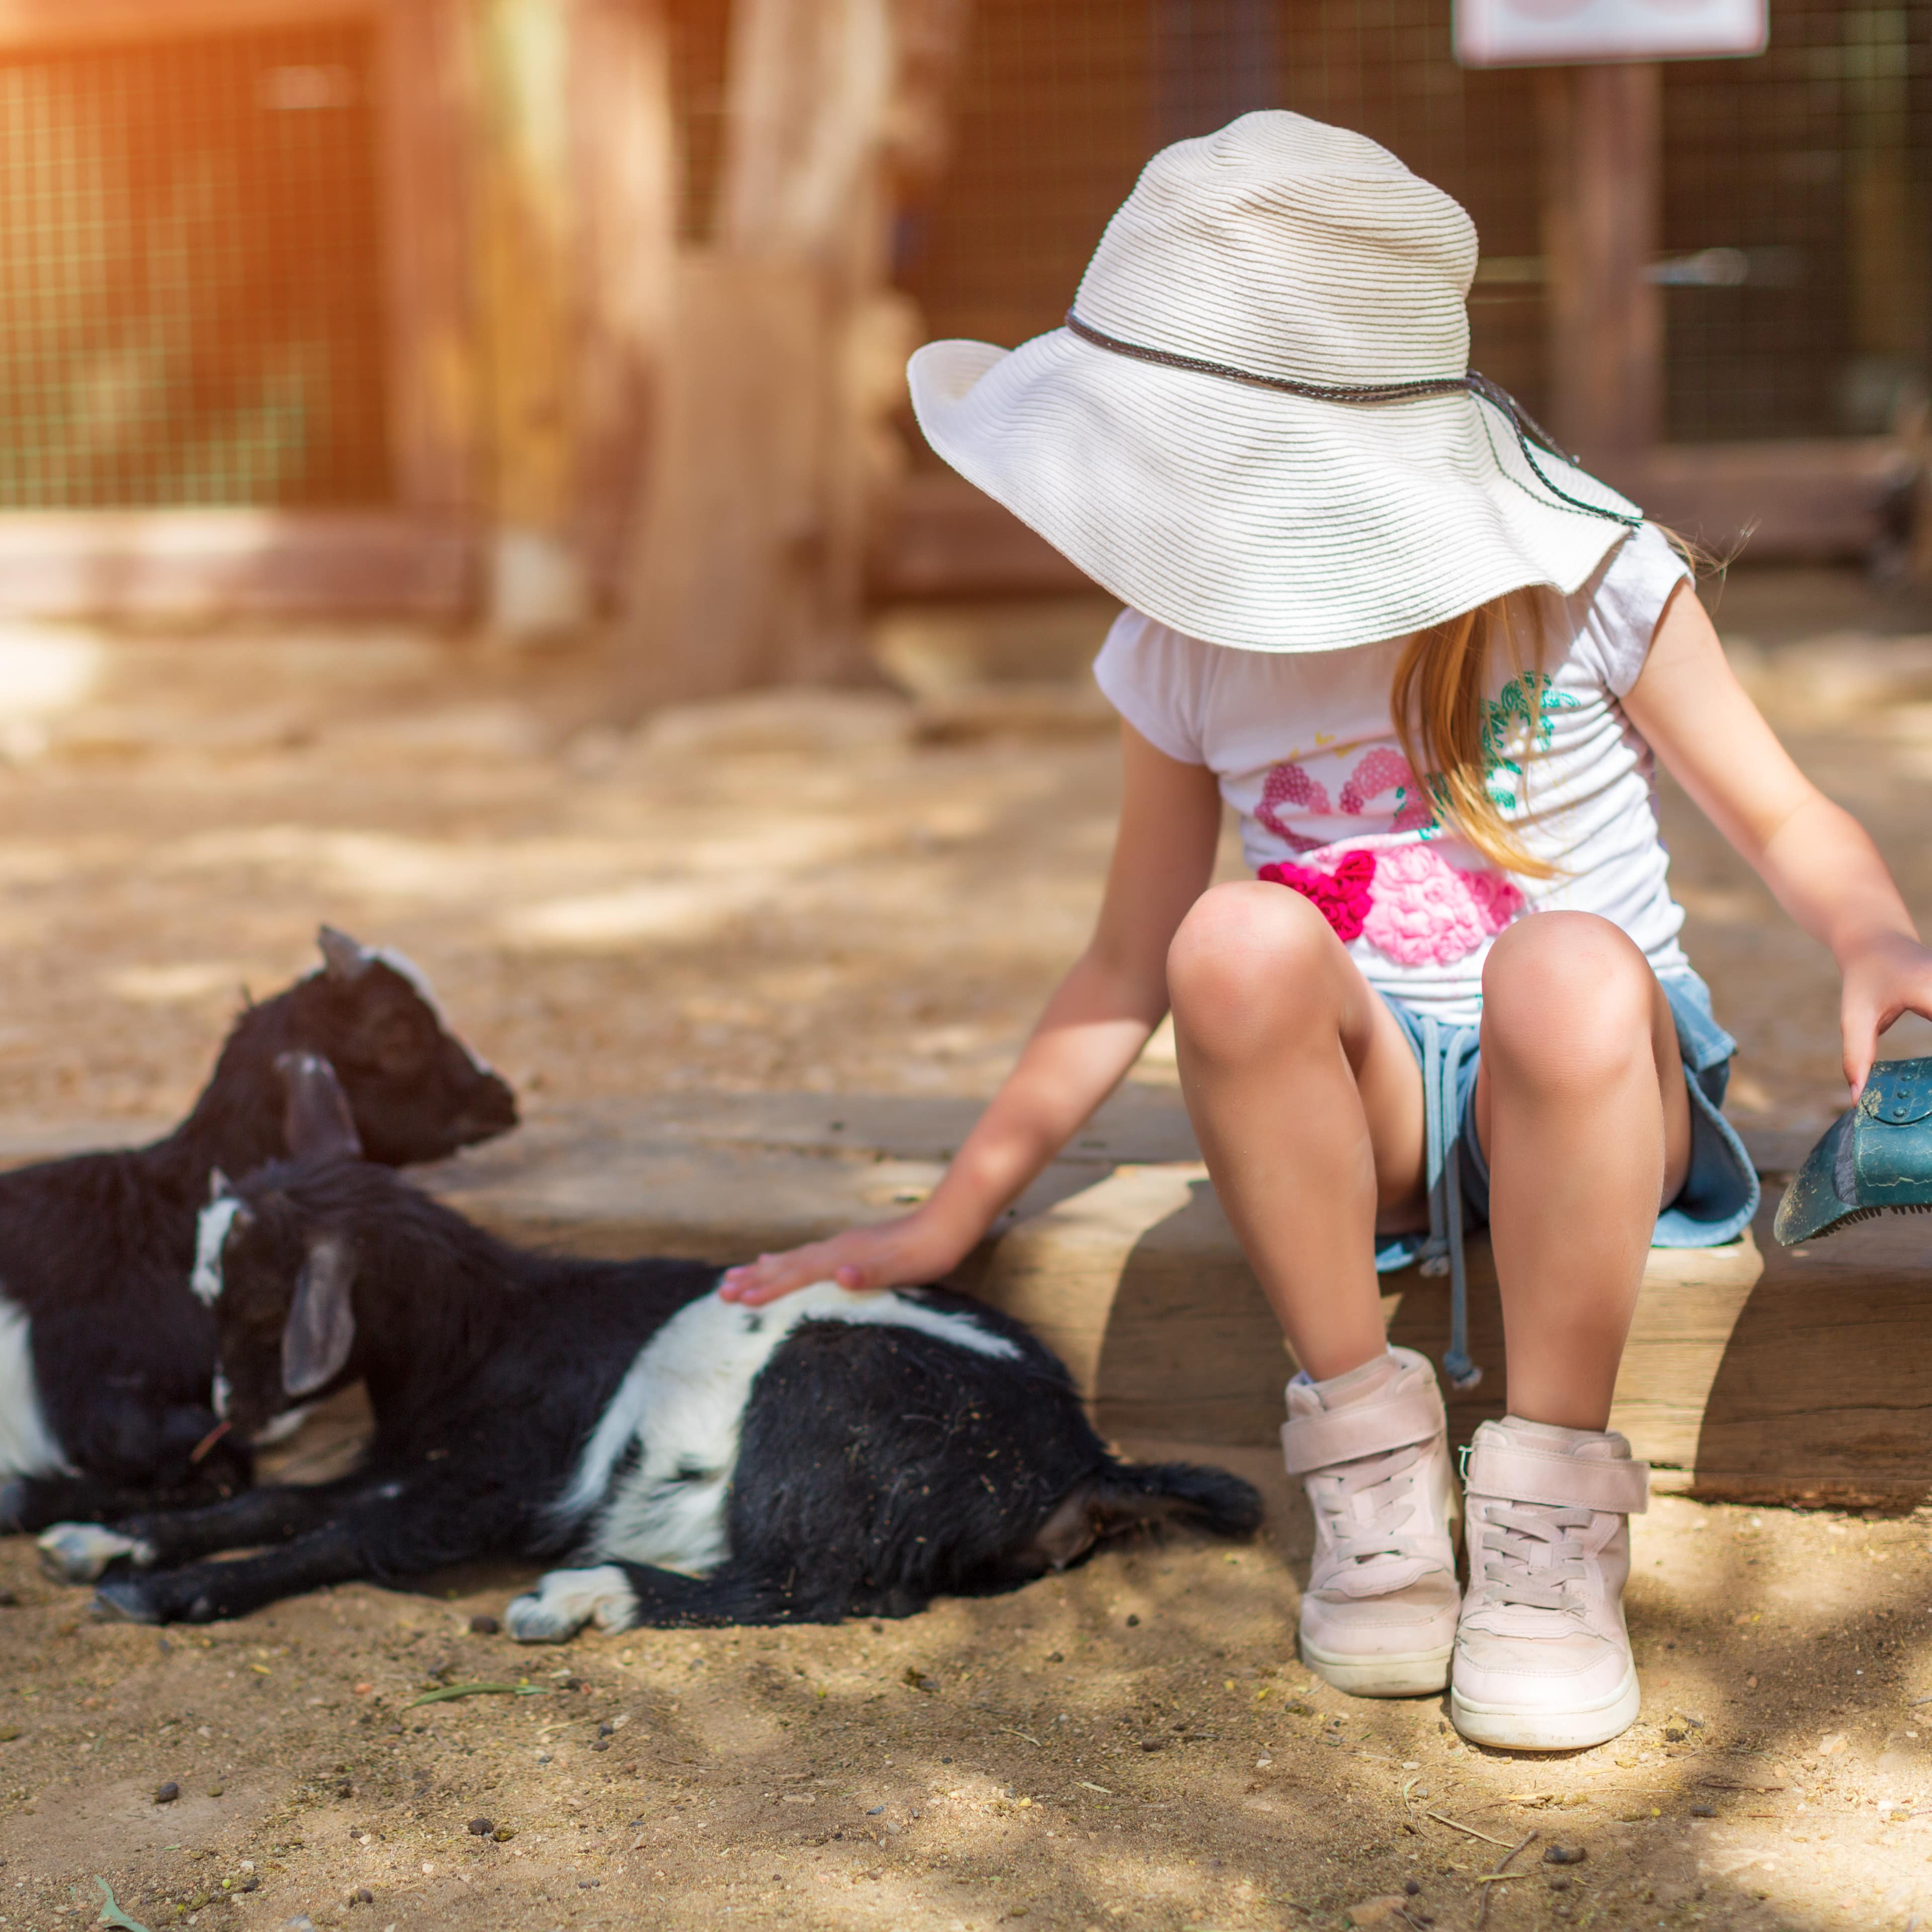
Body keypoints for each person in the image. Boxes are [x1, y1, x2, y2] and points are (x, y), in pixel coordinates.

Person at [718, 113, 1932, 1751]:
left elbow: (1783, 815)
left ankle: (1550, 1521)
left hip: (1588, 1089)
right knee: (1232, 937)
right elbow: (1124, 962)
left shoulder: (1587, 569)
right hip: (1366, 1119)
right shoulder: (1185, 639)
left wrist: (1875, 937)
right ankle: (1370, 1468)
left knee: (1563, 964)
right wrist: (951, 1217)